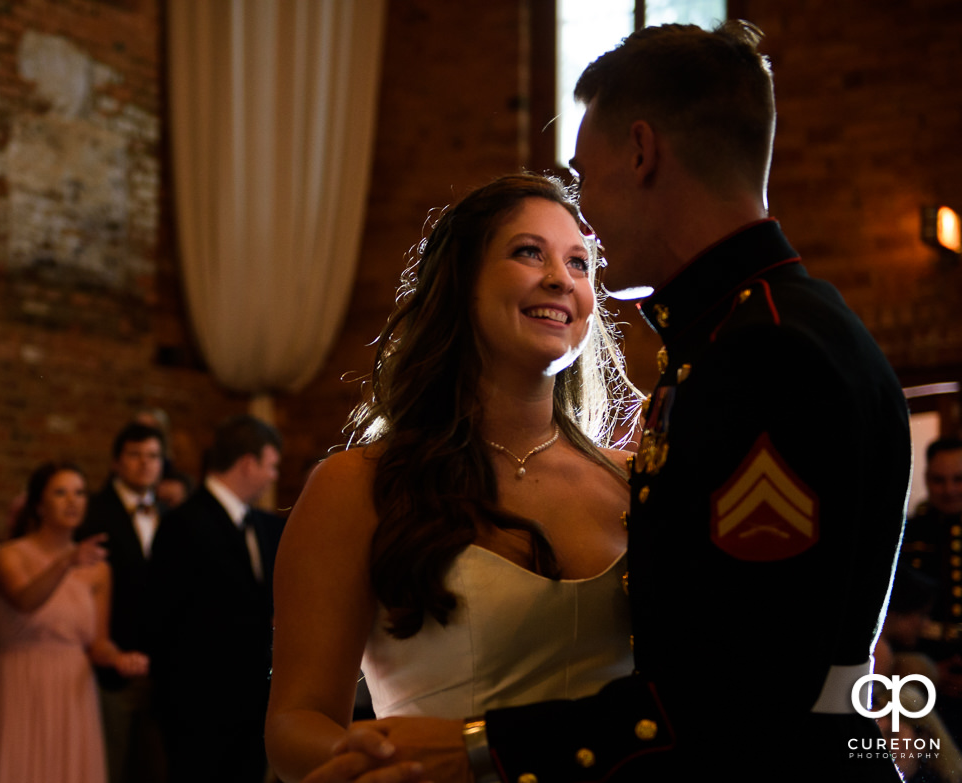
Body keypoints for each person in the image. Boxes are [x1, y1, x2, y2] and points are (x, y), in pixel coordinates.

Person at [306, 20, 911, 783]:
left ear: (641, 151)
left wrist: (478, 747)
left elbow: (742, 689)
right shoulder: (746, 334)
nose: (583, 219)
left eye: (584, 180)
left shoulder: (764, 352)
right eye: (529, 251)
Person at [264, 173, 636, 783]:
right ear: (461, 283)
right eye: (528, 252)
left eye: (579, 262)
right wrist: (384, 766)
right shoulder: (360, 486)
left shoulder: (633, 482)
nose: (560, 279)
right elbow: (296, 719)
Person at [0, 462, 148, 783]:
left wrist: (119, 658)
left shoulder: (98, 568)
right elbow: (24, 601)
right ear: (39, 504)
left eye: (79, 493)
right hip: (20, 680)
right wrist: (66, 562)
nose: (72, 501)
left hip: (73, 689)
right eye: (61, 492)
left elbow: (98, 643)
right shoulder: (11, 555)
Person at [155, 414, 287, 783]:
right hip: (199, 708)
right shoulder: (182, 525)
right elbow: (166, 622)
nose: (274, 476)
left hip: (251, 704)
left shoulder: (264, 526)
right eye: (272, 465)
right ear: (248, 463)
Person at [77, 422, 169, 783]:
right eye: (135, 455)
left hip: (159, 665)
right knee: (109, 767)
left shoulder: (169, 514)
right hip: (107, 660)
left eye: (153, 456)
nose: (144, 464)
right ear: (116, 462)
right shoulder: (94, 513)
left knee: (155, 768)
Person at [902, 437, 962, 738]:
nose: (949, 489)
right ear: (926, 478)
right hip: (924, 670)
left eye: (958, 479)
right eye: (939, 480)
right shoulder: (907, 533)